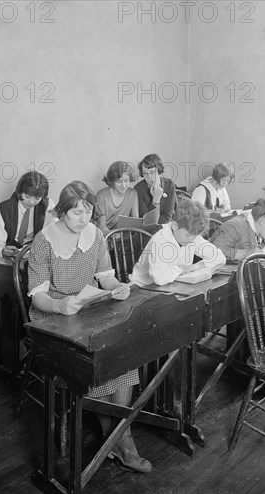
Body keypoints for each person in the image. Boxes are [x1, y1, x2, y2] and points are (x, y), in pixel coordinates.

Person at [27, 181, 152, 473]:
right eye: (76, 213)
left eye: (88, 212)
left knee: (120, 352)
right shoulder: (43, 241)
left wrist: (118, 287)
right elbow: (38, 294)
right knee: (95, 359)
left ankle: (118, 437)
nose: (83, 219)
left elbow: (105, 278)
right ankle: (121, 440)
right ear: (61, 213)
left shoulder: (95, 235)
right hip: (52, 317)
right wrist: (59, 306)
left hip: (88, 308)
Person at [130, 199, 226, 286]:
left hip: (172, 285)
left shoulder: (191, 234)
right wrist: (181, 270)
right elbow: (160, 278)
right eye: (187, 235)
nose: (191, 240)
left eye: (195, 236)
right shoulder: (160, 240)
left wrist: (198, 265)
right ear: (174, 226)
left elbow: (220, 257)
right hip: (143, 288)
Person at [0, 171, 54, 259]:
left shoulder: (47, 205)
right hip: (7, 259)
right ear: (20, 191)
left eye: (37, 198)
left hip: (34, 256)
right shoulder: (3, 209)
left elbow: (54, 236)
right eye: (27, 196)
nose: (32, 202)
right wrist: (2, 251)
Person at [209, 198, 265, 262]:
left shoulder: (257, 223)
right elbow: (215, 250)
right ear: (263, 221)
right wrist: (247, 253)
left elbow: (260, 239)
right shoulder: (234, 227)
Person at [95, 161, 139, 235]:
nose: (124, 185)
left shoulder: (133, 194)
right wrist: (112, 234)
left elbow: (135, 222)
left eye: (126, 181)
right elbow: (101, 225)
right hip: (105, 236)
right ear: (112, 181)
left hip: (124, 236)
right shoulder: (102, 196)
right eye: (119, 181)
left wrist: (122, 234)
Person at [134, 153, 176, 224]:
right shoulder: (138, 189)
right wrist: (155, 200)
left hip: (166, 227)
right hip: (147, 231)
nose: (149, 177)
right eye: (145, 173)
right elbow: (146, 220)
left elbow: (168, 215)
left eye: (152, 172)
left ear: (159, 171)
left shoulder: (170, 185)